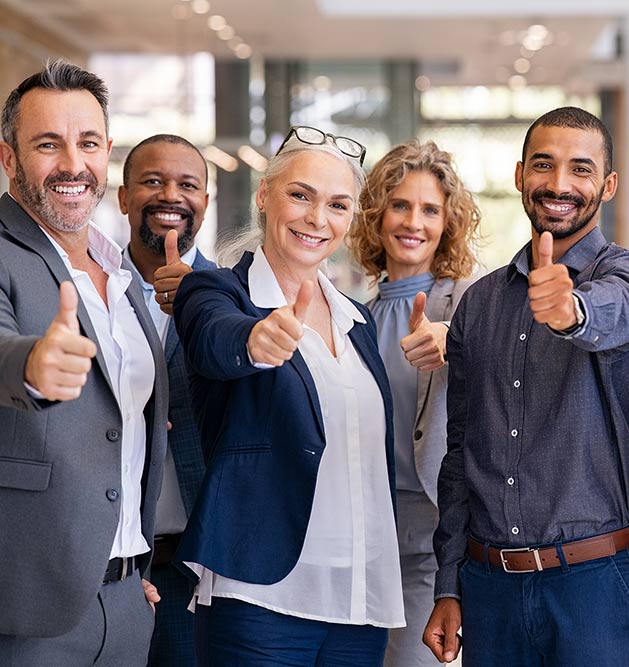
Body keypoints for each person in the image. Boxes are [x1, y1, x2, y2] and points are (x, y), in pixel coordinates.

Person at [423, 106, 629, 666]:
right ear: (519, 175)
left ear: (608, 184)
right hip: (489, 590)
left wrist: (570, 309)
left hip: (593, 586)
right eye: (543, 165)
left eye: (580, 169)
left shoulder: (627, 275)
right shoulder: (478, 304)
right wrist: (449, 584)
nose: (558, 184)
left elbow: (613, 313)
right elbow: (460, 456)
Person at [172, 126, 404, 665]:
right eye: (300, 195)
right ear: (264, 196)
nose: (316, 218)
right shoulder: (218, 292)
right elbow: (213, 339)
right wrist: (255, 339)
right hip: (260, 597)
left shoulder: (356, 319)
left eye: (337, 204)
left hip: (358, 600)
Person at [0, 61, 168, 664]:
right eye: (48, 144)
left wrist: (133, 569)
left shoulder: (120, 273)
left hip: (125, 599)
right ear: (9, 159)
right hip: (24, 612)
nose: (73, 163)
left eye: (88, 142)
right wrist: (32, 364)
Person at [349, 140, 480, 667]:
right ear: (378, 215)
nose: (413, 221)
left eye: (430, 209)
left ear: (448, 222)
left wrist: (456, 341)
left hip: (434, 527)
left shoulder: (469, 301)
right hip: (360, 524)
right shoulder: (353, 313)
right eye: (400, 205)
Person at [117, 134, 214, 667]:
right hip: (106, 561)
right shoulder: (93, 288)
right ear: (123, 197)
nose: (170, 195)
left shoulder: (235, 295)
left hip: (198, 563)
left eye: (187, 184)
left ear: (206, 199)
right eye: (152, 182)